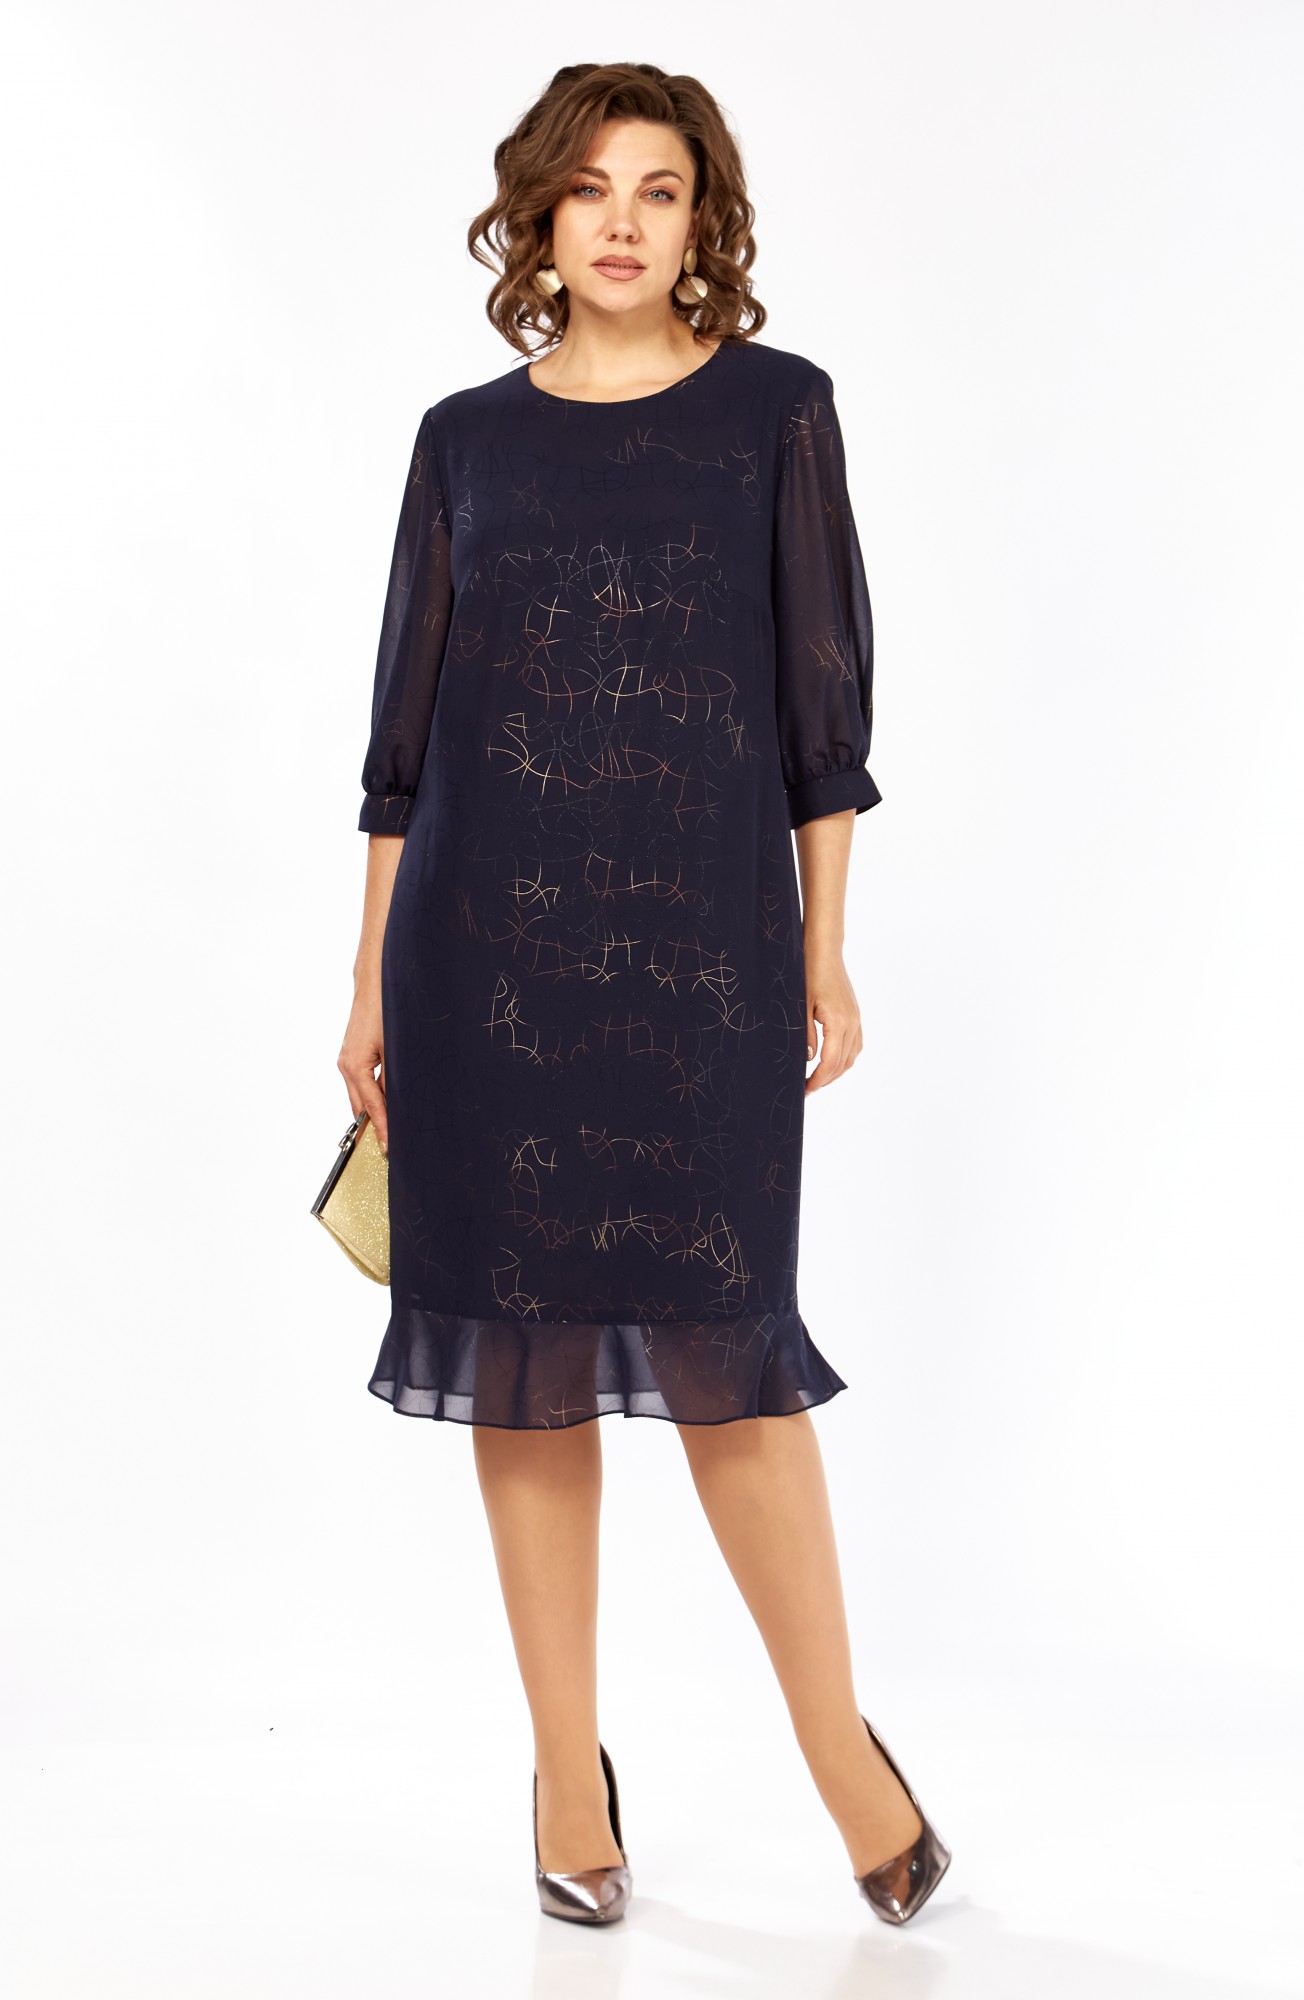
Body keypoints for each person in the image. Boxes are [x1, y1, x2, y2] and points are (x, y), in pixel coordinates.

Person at [338, 61, 950, 1928]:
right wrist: (367, 983)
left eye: (659, 190)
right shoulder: (462, 440)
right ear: (538, 215)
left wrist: (821, 948)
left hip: (704, 967)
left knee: (728, 1364)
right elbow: (400, 748)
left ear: (703, 222)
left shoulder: (776, 413)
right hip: (475, 964)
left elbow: (824, 721)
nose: (620, 221)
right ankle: (563, 1775)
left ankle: (841, 1757)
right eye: (588, 187)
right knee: (518, 1374)